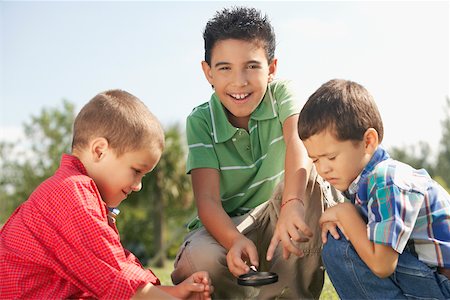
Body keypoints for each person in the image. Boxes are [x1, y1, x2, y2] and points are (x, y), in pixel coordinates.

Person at [171, 6, 342, 299]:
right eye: (225, 68)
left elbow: (297, 142)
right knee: (200, 258)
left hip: (281, 214)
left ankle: (292, 293)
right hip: (229, 227)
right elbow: (208, 200)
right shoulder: (200, 121)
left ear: (272, 69)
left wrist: (291, 203)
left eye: (251, 66)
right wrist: (234, 239)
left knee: (312, 177)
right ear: (207, 72)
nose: (239, 81)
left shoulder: (284, 95)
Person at [0, 90, 213, 299]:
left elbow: (115, 263)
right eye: (136, 171)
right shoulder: (71, 194)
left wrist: (171, 292)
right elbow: (115, 278)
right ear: (100, 150)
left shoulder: (81, 195)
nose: (138, 185)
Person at [297, 78, 450, 299]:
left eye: (331, 157)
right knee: (342, 238)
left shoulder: (386, 180)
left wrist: (345, 213)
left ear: (368, 141)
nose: (323, 169)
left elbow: (382, 265)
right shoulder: (363, 185)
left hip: (443, 285)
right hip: (431, 280)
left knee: (341, 246)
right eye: (315, 160)